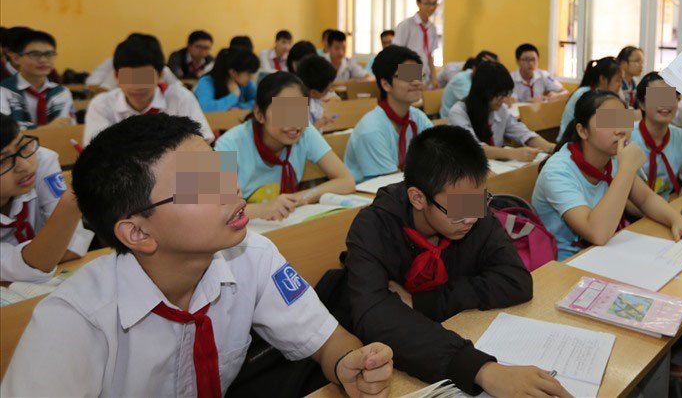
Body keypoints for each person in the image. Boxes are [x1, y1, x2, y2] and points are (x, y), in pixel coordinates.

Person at [0, 114, 393, 397]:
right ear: (138, 232)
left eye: (221, 169)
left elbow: (327, 340)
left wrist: (348, 365)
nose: (233, 187)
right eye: (201, 186)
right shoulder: (74, 322)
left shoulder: (250, 254)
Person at [342, 125, 570, 398]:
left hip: (452, 336)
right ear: (418, 198)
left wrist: (424, 302)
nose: (472, 219)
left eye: (476, 202)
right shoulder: (373, 227)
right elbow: (374, 315)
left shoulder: (473, 212)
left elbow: (516, 280)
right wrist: (480, 370)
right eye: (459, 209)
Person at [533, 89, 682, 261]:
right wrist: (627, 169)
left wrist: (678, 221)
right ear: (582, 131)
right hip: (565, 262)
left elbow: (646, 199)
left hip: (605, 250)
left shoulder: (610, 159)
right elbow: (596, 233)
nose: (620, 129)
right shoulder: (558, 171)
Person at [215, 72, 356, 220]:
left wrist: (297, 198)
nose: (294, 123)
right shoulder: (227, 144)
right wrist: (263, 210)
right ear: (259, 113)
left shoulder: (306, 131)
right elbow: (213, 211)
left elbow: (347, 181)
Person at [0, 113, 93, 284]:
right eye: (2, 161)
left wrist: (32, 262)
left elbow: (74, 243)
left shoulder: (41, 158)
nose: (24, 165)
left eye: (22, 147)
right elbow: (33, 266)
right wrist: (73, 199)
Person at [84, 36, 213, 146]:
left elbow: (203, 143)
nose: (136, 86)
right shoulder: (101, 105)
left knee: (222, 169)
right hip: (125, 174)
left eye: (144, 77)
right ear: (116, 77)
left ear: (161, 75)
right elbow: (95, 155)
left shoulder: (181, 97)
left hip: (174, 172)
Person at [344, 46, 433, 183]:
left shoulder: (418, 118)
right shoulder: (371, 129)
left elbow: (438, 160)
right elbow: (390, 184)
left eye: (418, 75)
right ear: (385, 84)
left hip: (404, 192)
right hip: (371, 197)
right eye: (408, 76)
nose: (416, 82)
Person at [448, 61, 555, 161]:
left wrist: (550, 147)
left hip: (494, 167)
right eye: (498, 95)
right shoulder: (458, 112)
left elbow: (523, 133)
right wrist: (514, 153)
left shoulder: (500, 110)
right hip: (467, 169)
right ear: (482, 91)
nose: (504, 100)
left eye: (505, 94)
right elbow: (474, 148)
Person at [0, 30, 75, 129]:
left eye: (49, 54)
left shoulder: (61, 92)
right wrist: (43, 129)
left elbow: (66, 126)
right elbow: (5, 129)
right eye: (34, 54)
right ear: (16, 58)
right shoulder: (4, 90)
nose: (43, 60)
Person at [557, 56, 621, 140]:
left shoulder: (606, 96)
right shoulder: (584, 94)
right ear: (603, 79)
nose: (620, 85)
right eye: (617, 80)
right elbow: (598, 120)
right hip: (570, 142)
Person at [89, 34, 181, 92]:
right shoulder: (122, 69)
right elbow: (102, 90)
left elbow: (179, 88)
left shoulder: (163, 71)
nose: (137, 86)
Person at [393, 0, 441, 88]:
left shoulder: (432, 28)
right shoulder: (406, 25)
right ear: (418, 3)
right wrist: (414, 77)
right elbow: (397, 55)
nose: (431, 8)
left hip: (424, 75)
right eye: (427, 3)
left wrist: (434, 76)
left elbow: (429, 55)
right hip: (407, 75)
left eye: (434, 4)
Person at [193, 48, 259, 112]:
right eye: (248, 74)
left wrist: (238, 107)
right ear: (233, 72)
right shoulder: (206, 81)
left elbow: (258, 102)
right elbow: (206, 108)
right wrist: (233, 96)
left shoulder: (246, 82)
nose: (252, 77)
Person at [440, 50, 497, 119]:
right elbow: (477, 105)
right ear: (474, 68)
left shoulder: (476, 77)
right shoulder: (461, 80)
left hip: (466, 116)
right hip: (448, 119)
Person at [296, 54, 340, 132]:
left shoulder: (312, 99)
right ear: (313, 93)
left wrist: (321, 121)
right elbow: (293, 142)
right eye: (327, 90)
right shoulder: (288, 104)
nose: (329, 92)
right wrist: (316, 126)